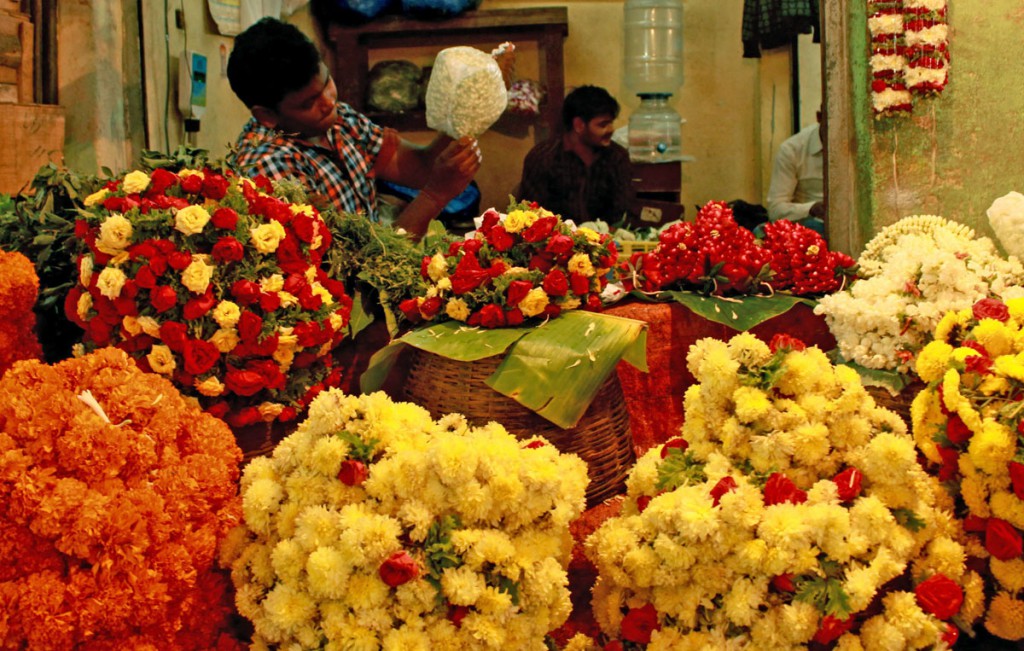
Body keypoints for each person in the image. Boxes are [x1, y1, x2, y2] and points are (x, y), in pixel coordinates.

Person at [227, 17, 481, 241]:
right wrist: (435, 195)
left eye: (327, 83)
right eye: (308, 103)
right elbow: (364, 271)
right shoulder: (268, 171)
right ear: (267, 115)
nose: (328, 102)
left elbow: (420, 168)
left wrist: (475, 99)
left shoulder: (340, 122)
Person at [517, 85, 635, 224]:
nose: (611, 130)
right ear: (579, 125)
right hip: (555, 241)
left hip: (607, 240)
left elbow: (624, 211)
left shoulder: (617, 157)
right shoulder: (544, 157)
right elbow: (530, 214)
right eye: (603, 125)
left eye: (611, 123)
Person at [765, 108, 826, 236]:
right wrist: (811, 208)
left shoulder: (858, 145)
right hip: (810, 227)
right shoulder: (792, 150)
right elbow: (775, 209)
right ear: (819, 117)